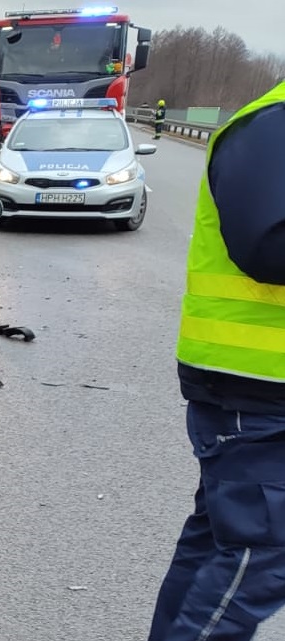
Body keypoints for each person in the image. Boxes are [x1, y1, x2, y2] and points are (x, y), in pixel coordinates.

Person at [147, 79, 285, 641]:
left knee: (223, 543)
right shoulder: (272, 126)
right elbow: (266, 247)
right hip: (254, 388)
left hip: (257, 386)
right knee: (263, 553)